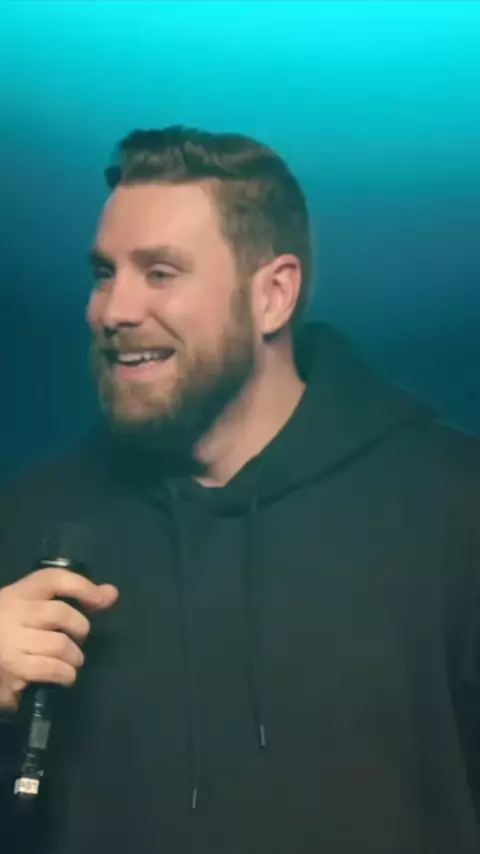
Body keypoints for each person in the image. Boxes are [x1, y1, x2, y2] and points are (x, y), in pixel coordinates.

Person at [0, 125, 479, 854]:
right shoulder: (34, 520)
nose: (112, 311)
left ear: (273, 295)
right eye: (103, 273)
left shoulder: (454, 506)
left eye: (160, 272)